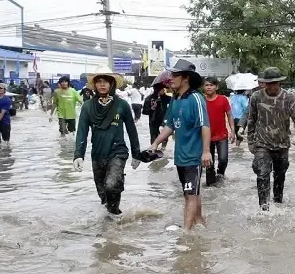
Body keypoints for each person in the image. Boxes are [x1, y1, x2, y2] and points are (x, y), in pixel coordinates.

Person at [148, 59, 211, 230]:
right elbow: (170, 126)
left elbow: (205, 125)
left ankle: (186, 233)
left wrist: (206, 151)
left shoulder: (196, 98)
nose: (171, 78)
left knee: (190, 194)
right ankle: (199, 223)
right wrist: (155, 143)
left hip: (194, 156)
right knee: (190, 193)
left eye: (175, 75)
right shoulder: (175, 100)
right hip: (180, 156)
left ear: (186, 78)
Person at [73, 67, 141, 216]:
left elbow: (131, 130)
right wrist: (78, 155)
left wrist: (136, 154)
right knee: (104, 195)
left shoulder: (122, 105)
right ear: (94, 85)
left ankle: (115, 217)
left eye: (105, 81)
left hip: (118, 152)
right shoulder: (87, 106)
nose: (102, 84)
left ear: (112, 84)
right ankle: (113, 220)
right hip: (97, 154)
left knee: (111, 185)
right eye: (99, 81)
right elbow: (82, 132)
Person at [245, 67, 295, 211]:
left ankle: (278, 202)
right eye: (268, 83)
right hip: (262, 143)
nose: (271, 86)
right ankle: (264, 208)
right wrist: (250, 141)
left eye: (274, 83)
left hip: (282, 144)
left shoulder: (288, 97)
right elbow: (251, 119)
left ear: (279, 83)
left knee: (280, 175)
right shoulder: (256, 97)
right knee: (262, 174)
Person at [203, 76, 235, 186]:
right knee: (209, 163)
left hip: (222, 135)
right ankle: (210, 186)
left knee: (223, 159)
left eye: (211, 85)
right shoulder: (202, 101)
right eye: (206, 85)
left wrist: (233, 131)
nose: (209, 87)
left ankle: (220, 175)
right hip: (206, 137)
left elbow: (229, 115)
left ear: (216, 87)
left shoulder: (223, 99)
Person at [143, 76, 172, 149]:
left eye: (163, 89)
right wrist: (152, 108)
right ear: (157, 90)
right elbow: (144, 112)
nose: (163, 90)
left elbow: (173, 106)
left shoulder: (168, 98)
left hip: (164, 120)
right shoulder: (149, 99)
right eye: (162, 89)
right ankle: (153, 149)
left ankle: (163, 148)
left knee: (165, 136)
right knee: (153, 135)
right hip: (153, 121)